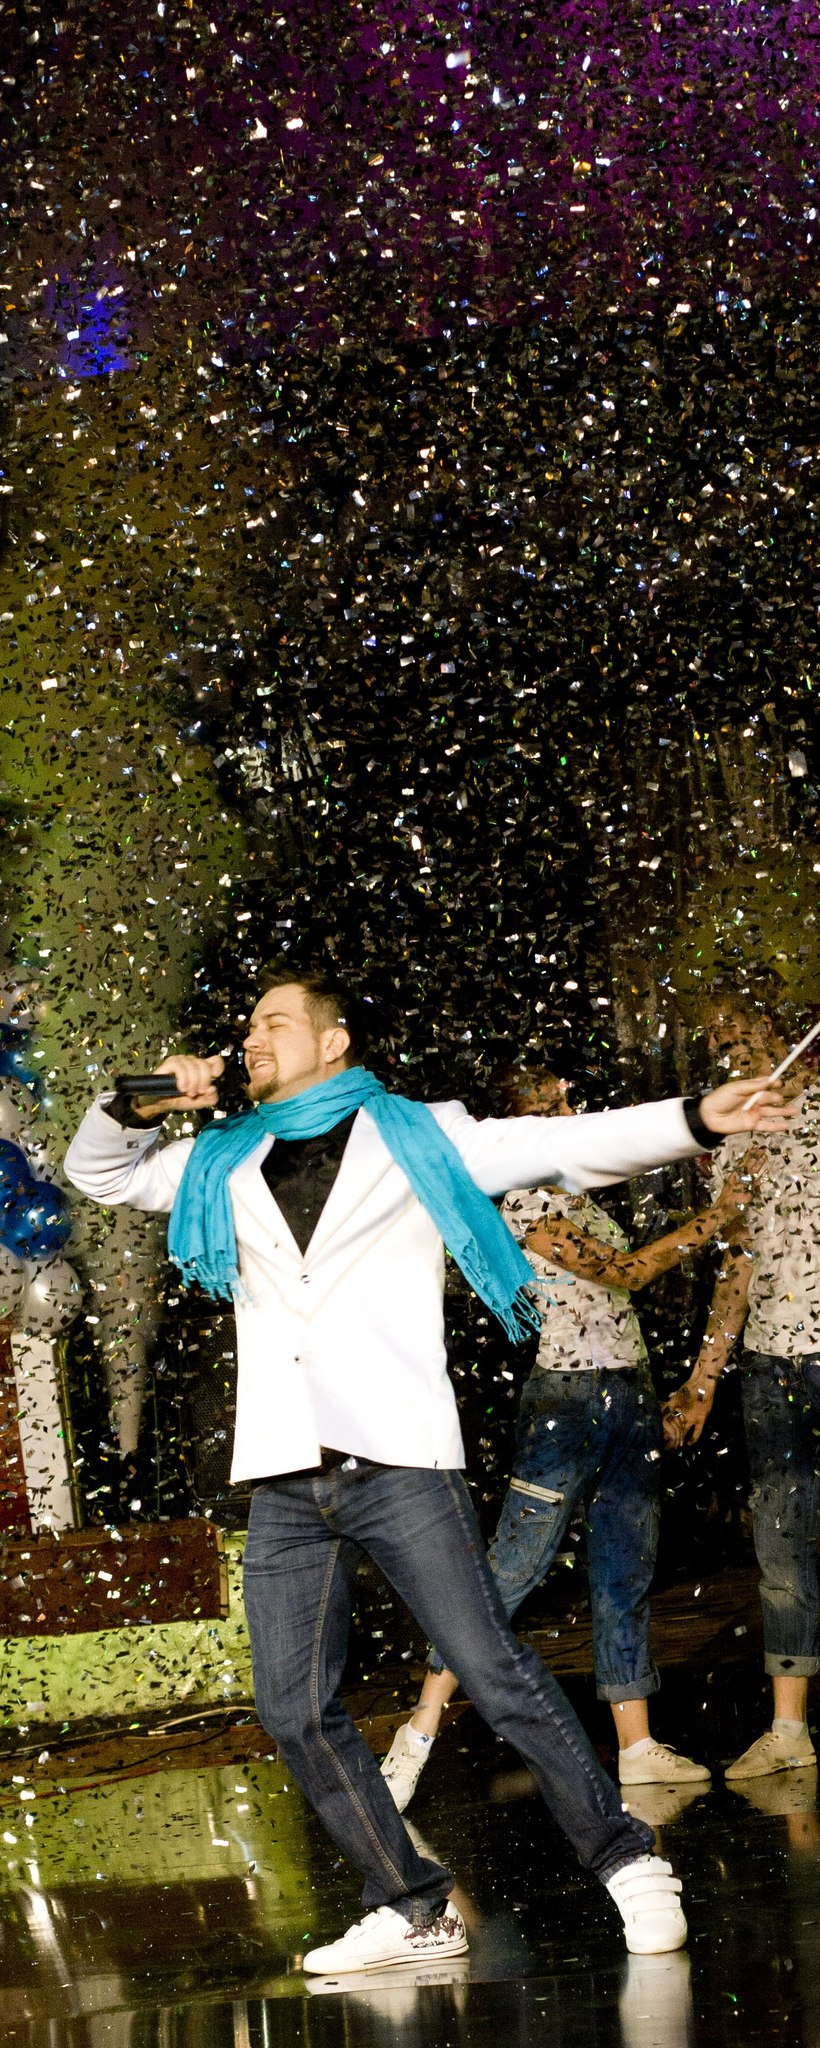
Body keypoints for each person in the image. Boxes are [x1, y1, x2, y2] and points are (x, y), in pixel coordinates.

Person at [64, 969, 791, 1974]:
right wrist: (142, 1099)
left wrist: (697, 1117)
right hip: (286, 1469)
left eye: (275, 1021)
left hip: (397, 1454)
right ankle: (412, 1908)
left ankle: (627, 1860)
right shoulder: (220, 1159)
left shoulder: (418, 1134)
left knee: (492, 1670)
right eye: (248, 1024)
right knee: (291, 1708)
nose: (253, 1037)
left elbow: (561, 1145)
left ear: (333, 1041)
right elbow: (99, 1173)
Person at [380, 1065, 754, 1814]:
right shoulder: (522, 1201)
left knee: (625, 1567)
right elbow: (625, 1274)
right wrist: (716, 1218)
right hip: (567, 1402)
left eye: (563, 1097)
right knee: (513, 1567)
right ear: (516, 1122)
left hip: (625, 1392)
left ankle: (637, 1748)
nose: (564, 1107)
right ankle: (418, 1730)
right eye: (544, 1102)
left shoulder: (578, 1195)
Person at [662, 992, 819, 1781]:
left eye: (741, 1028)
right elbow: (738, 1269)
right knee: (782, 1543)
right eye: (717, 1038)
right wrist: (702, 1380)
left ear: (778, 1028)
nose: (730, 1045)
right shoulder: (734, 1139)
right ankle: (790, 1729)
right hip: (769, 1363)